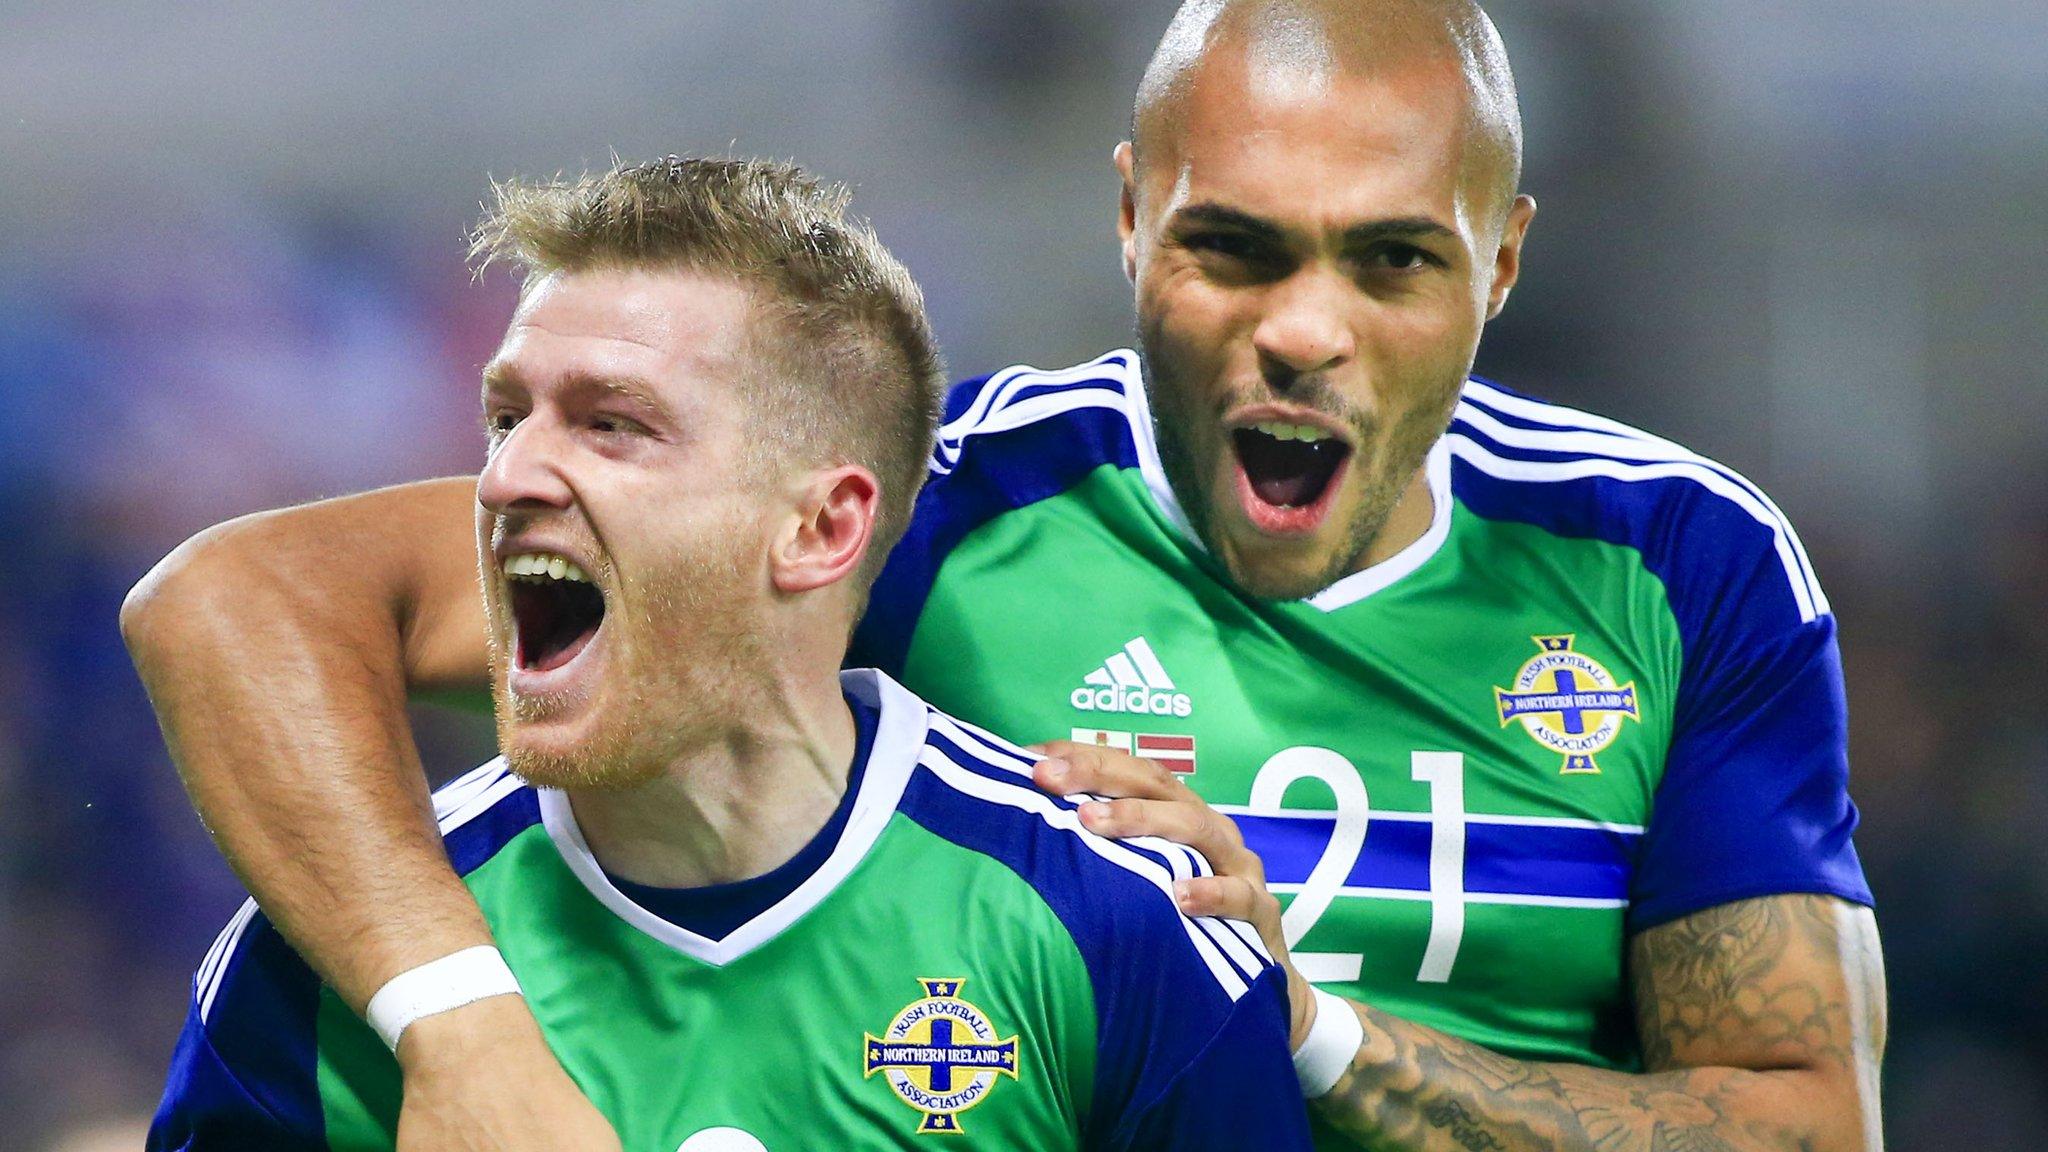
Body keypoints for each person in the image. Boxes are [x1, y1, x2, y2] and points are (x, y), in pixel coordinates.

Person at [124, 2, 1889, 1150]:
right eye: (1230, 247)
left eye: (1390, 262)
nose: (1299, 329)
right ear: (1128, 222)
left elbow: (1809, 1126)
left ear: (1499, 263)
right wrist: (461, 1026)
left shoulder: (1676, 562)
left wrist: (1321, 1041)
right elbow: (245, 604)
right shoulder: (930, 500)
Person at [141, 156, 1312, 1151]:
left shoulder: (1110, 926)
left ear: (819, 529)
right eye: (507, 417)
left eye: (611, 422)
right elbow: (206, 598)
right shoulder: (339, 968)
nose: (501, 477)